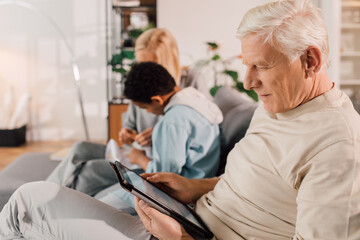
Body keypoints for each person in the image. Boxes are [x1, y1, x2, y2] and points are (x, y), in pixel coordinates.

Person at [1, 0, 359, 239]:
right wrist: (195, 188)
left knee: (26, 207)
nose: (249, 82)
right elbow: (258, 180)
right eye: (246, 65)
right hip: (188, 218)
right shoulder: (279, 103)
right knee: (31, 199)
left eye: (261, 66)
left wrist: (182, 238)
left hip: (186, 235)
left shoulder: (338, 147)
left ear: (310, 61)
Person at [46, 28, 212, 197]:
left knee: (89, 171)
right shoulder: (143, 85)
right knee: (81, 148)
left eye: (151, 63)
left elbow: (201, 119)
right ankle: (43, 191)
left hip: (152, 159)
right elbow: (129, 124)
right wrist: (126, 133)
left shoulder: (190, 85)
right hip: (137, 152)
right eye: (140, 63)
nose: (145, 69)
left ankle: (51, 200)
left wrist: (157, 135)